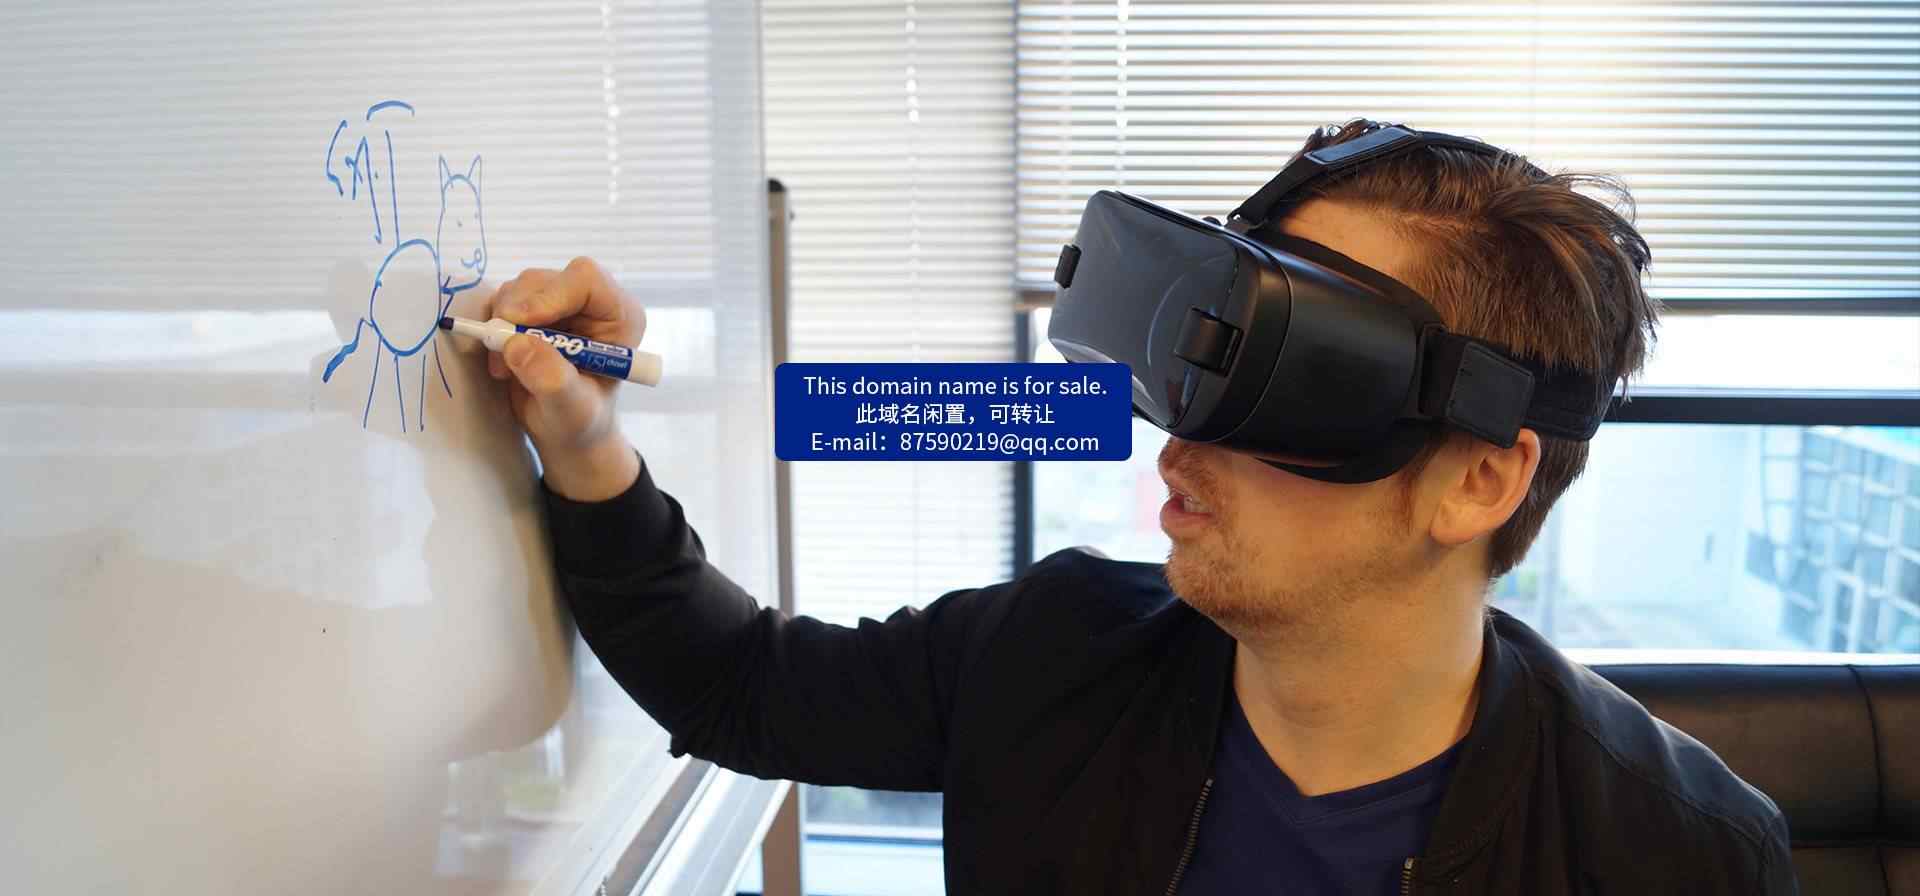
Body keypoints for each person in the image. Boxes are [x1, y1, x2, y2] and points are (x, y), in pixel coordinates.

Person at [478, 120, 1796, 894]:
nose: (1184, 440)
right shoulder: (1056, 656)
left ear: (1478, 479)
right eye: (1211, 357)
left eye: (1293, 383)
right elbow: (738, 688)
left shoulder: (1671, 853)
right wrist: (585, 439)